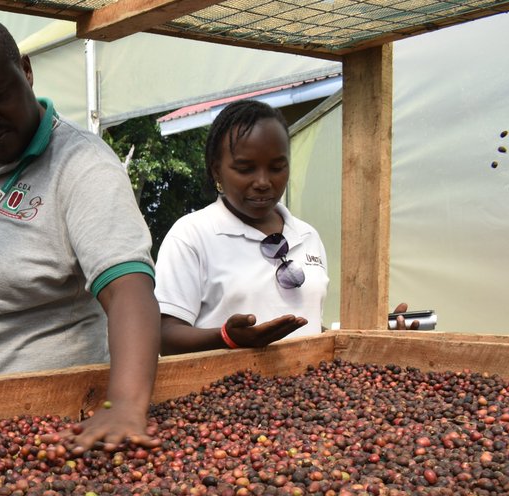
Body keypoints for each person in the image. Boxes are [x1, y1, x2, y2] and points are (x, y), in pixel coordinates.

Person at [0, 13, 162, 452]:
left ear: (25, 71)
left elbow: (129, 289)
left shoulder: (82, 166)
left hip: (24, 434)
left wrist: (125, 405)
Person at [154, 99, 414, 355]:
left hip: (304, 394)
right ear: (216, 171)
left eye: (277, 167)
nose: (264, 182)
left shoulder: (307, 236)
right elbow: (163, 335)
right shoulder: (192, 235)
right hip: (226, 394)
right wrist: (226, 337)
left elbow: (308, 328)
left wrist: (373, 337)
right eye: (245, 169)